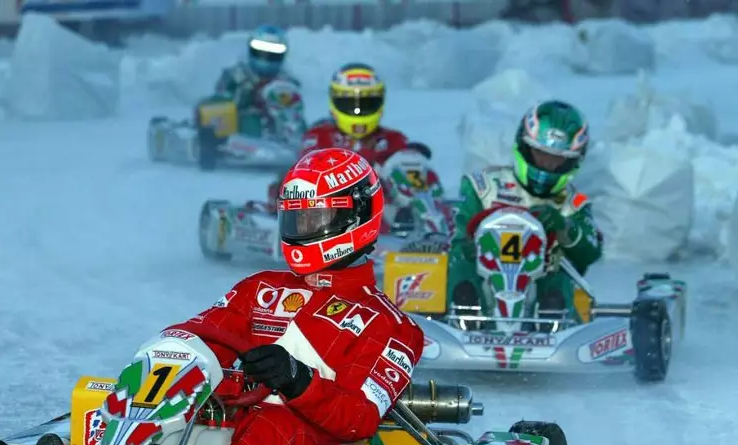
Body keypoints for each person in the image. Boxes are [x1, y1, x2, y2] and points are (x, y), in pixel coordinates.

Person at [162, 147, 425, 445]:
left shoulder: (389, 325)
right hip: (230, 424)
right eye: (296, 219)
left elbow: (358, 418)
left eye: (314, 219)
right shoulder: (261, 287)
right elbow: (202, 336)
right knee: (148, 384)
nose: (303, 229)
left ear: (357, 217)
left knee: (277, 424)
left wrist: (296, 379)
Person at [446, 100, 603, 325]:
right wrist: (472, 243)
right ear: (524, 147)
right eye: (541, 155)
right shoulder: (483, 186)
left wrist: (564, 228)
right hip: (483, 276)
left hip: (541, 287)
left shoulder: (573, 203)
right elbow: (457, 233)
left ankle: (552, 325)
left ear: (572, 162)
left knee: (557, 274)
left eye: (557, 160)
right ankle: (463, 318)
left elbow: (592, 251)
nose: (547, 165)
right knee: (458, 260)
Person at [266, 63, 442, 232]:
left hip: (385, 217)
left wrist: (410, 159)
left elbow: (405, 178)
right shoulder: (320, 136)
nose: (358, 111)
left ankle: (434, 226)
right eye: (350, 103)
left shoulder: (393, 139)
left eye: (367, 103)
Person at [213, 26, 301, 125]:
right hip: (239, 132)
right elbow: (218, 105)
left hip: (280, 133)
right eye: (261, 50)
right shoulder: (235, 76)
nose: (266, 55)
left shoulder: (287, 82)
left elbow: (296, 115)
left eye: (273, 52)